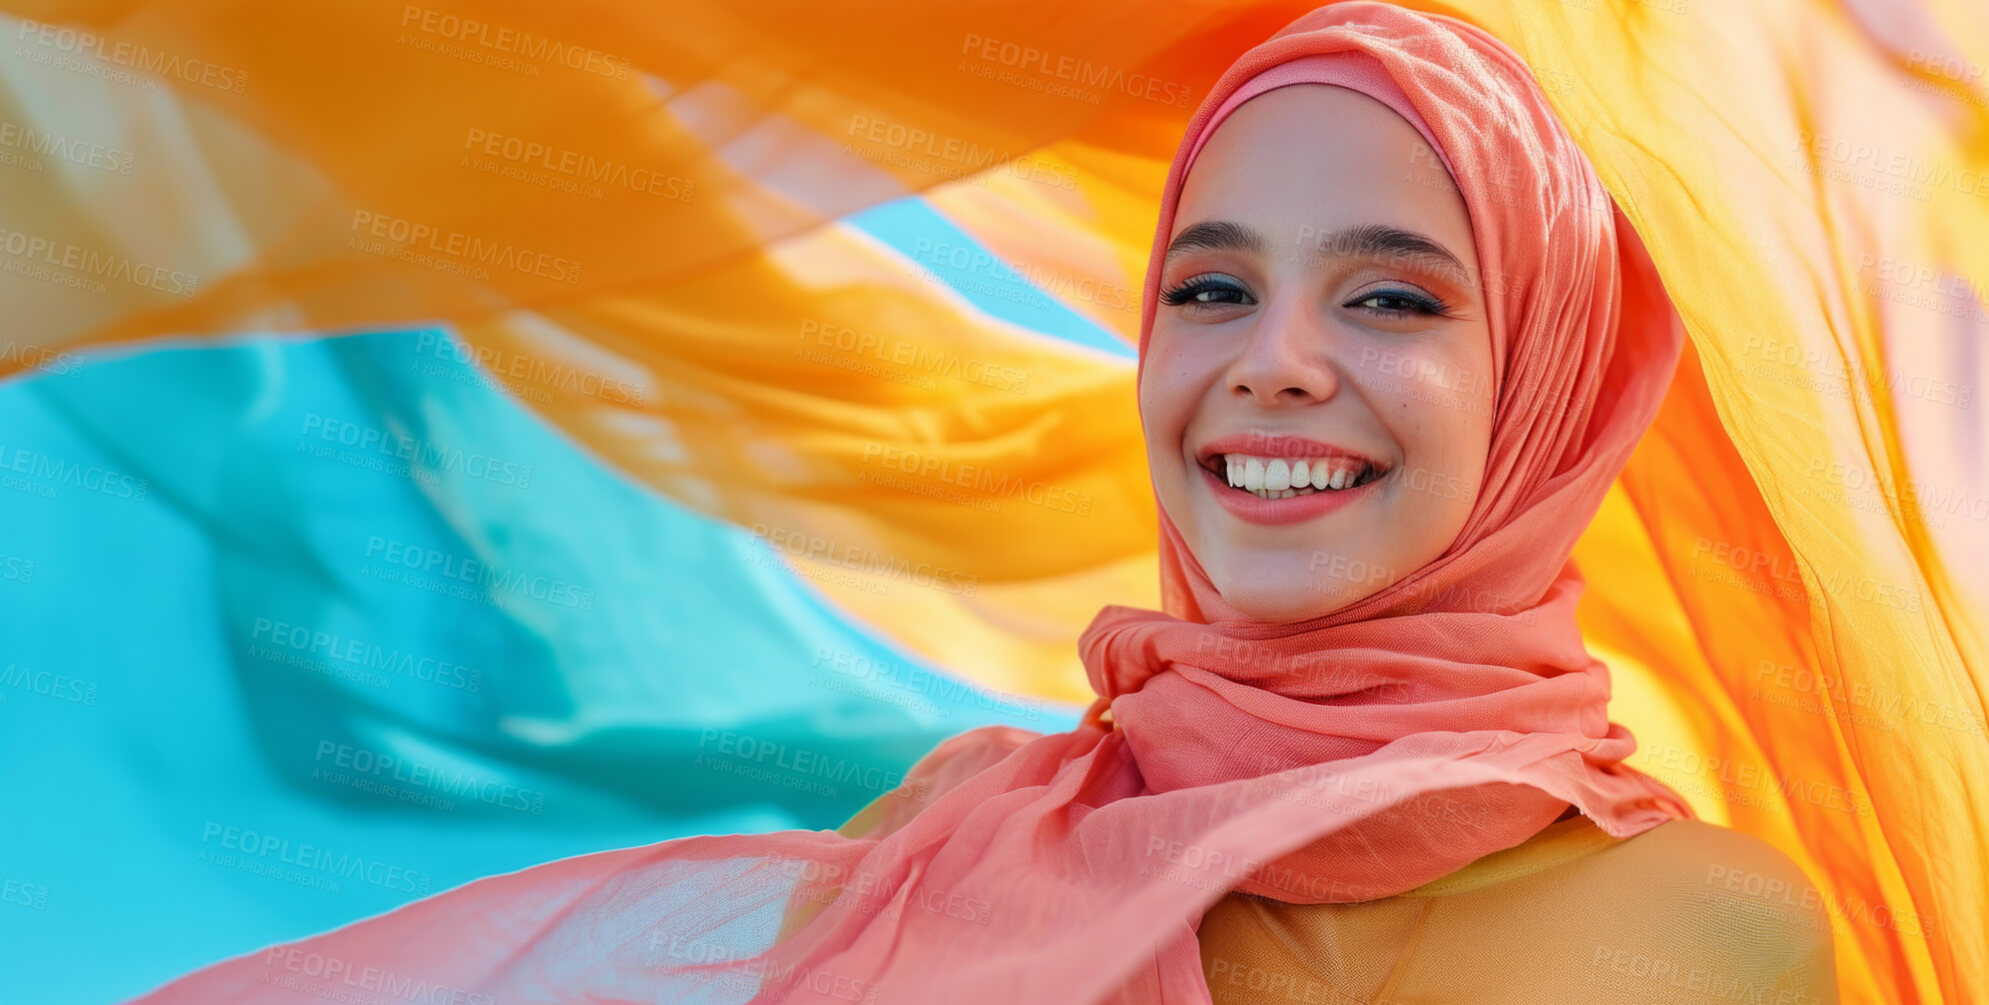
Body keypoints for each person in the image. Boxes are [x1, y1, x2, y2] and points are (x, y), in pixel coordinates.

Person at [124, 4, 1838, 1003]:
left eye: (1391, 298)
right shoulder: (947, 835)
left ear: (1550, 390)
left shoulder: (1697, 929)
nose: (1275, 365)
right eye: (1211, 289)